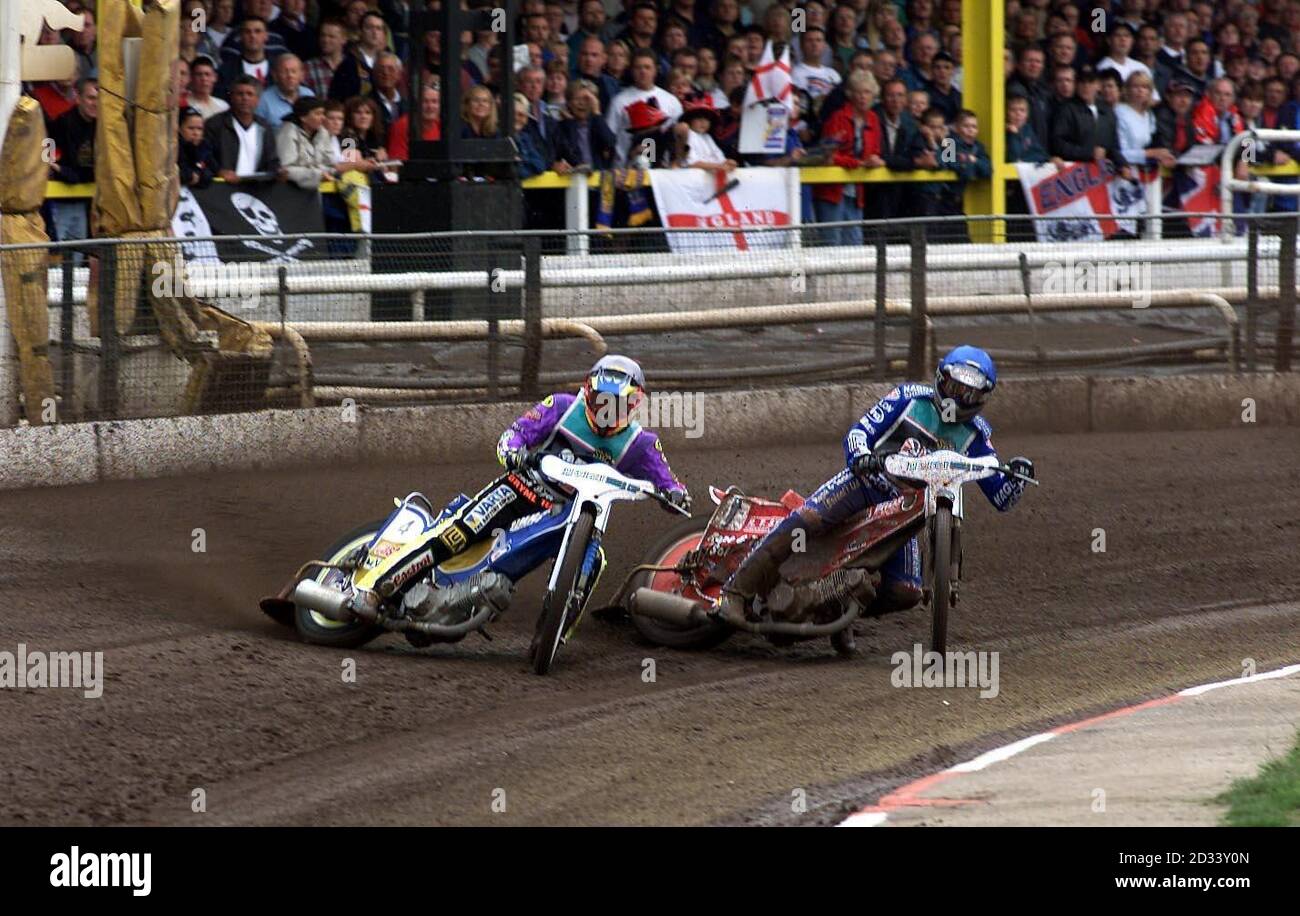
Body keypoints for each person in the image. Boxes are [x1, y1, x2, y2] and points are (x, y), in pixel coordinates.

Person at [718, 346, 1035, 649]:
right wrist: (862, 457)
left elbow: (1001, 496)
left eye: (969, 393)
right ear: (941, 378)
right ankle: (734, 592)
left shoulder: (978, 434)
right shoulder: (908, 397)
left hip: (905, 514)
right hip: (866, 484)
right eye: (954, 386)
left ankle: (835, 613)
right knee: (807, 520)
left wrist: (1017, 475)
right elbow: (857, 433)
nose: (958, 397)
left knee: (906, 591)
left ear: (982, 398)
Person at [389, 356, 688, 619]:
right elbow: (514, 435)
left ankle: (557, 626)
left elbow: (668, 482)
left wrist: (675, 494)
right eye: (600, 401)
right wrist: (514, 452)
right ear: (588, 392)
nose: (606, 411)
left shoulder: (641, 443)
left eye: (617, 405)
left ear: (634, 405)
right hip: (523, 489)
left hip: (570, 515)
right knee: (462, 531)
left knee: (595, 559)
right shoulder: (561, 407)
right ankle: (381, 585)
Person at [205, 75, 283, 182]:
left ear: (258, 99)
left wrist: (278, 171)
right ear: (231, 97)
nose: (245, 98)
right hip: (222, 188)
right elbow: (205, 156)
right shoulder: (215, 124)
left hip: (256, 190)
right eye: (240, 94)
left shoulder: (264, 127)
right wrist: (219, 171)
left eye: (250, 94)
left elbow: (271, 160)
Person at [276, 97, 334, 190]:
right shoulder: (288, 132)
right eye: (318, 114)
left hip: (320, 187)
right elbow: (286, 169)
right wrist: (318, 175)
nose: (323, 118)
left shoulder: (323, 132)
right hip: (292, 190)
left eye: (323, 113)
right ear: (303, 117)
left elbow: (330, 163)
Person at [178, 107, 219, 189]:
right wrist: (189, 175)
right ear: (179, 128)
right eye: (191, 128)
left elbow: (213, 170)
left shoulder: (205, 146)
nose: (196, 133)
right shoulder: (174, 147)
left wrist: (198, 173)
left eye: (199, 129)